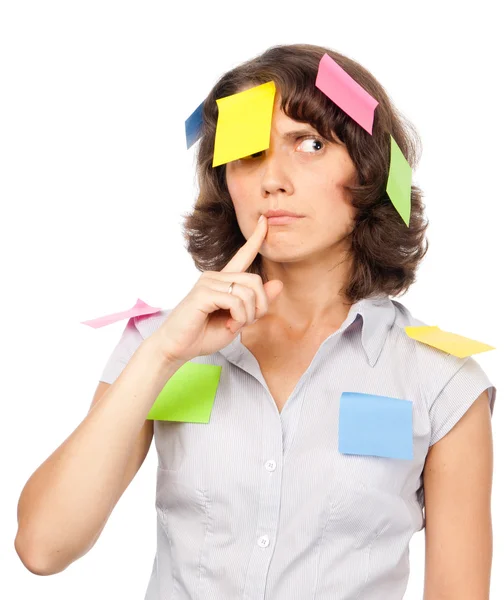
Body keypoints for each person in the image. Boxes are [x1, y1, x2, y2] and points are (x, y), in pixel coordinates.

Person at [15, 43, 496, 599]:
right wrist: (162, 355)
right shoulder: (158, 344)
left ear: (372, 172)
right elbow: (42, 547)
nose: (274, 180)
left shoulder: (440, 382)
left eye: (311, 145)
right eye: (249, 154)